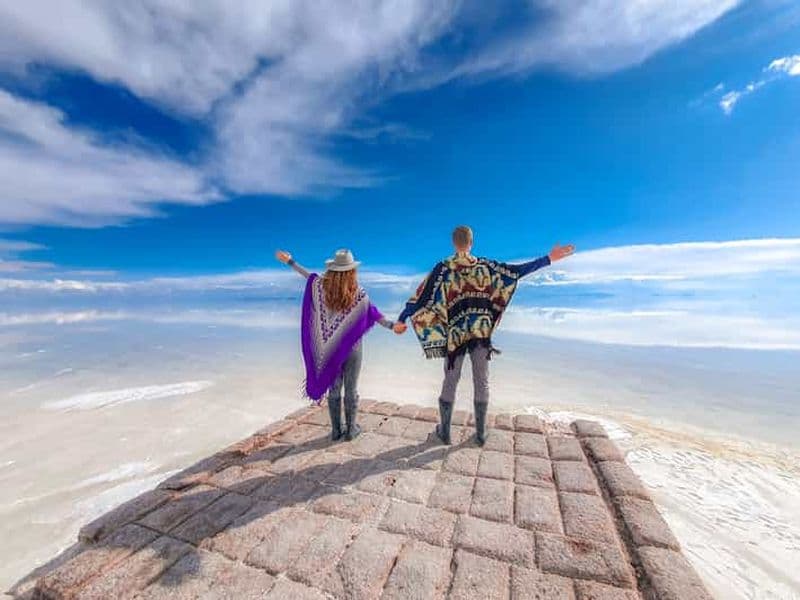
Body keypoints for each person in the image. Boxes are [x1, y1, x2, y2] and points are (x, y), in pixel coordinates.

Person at [393, 226, 574, 446]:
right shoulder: (486, 267)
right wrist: (548, 259)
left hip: (457, 335)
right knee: (482, 381)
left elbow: (421, 300)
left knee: (451, 379)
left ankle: (445, 433)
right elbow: (516, 272)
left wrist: (402, 318)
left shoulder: (443, 269)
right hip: (480, 333)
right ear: (472, 243)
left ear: (454, 243)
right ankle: (480, 434)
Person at [276, 248, 398, 441]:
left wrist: (290, 262)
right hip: (353, 348)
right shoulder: (357, 292)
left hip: (330, 351)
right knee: (351, 389)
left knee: (334, 388)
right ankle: (351, 430)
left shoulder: (320, 286)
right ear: (351, 270)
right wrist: (393, 326)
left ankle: (335, 430)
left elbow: (307, 275)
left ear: (333, 268)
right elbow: (374, 314)